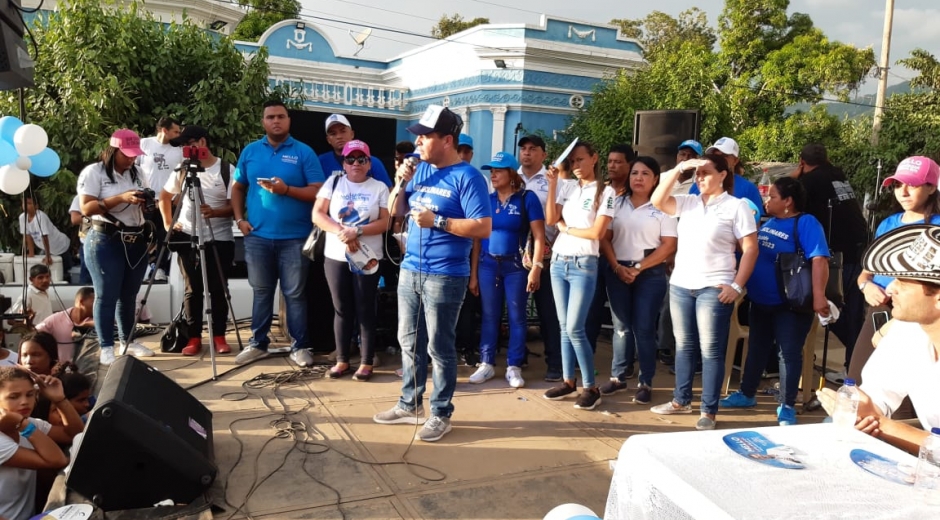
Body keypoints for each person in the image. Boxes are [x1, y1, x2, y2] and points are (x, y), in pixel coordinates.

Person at [373, 105, 491, 442]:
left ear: (447, 140)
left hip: (445, 275)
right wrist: (400, 183)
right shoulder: (420, 171)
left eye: (426, 136)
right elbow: (397, 213)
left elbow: (483, 227)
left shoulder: (468, 177)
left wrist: (439, 222)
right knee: (408, 341)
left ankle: (441, 413)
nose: (419, 142)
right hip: (411, 269)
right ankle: (409, 404)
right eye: (418, 136)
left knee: (440, 346)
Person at [649, 153, 758, 430]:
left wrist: (736, 285)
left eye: (706, 172)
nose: (700, 178)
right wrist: (680, 168)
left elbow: (750, 249)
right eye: (697, 174)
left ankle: (708, 410)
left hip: (714, 286)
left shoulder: (737, 207)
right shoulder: (688, 203)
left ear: (723, 174)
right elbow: (657, 200)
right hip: (682, 284)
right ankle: (681, 400)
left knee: (710, 350)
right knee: (684, 346)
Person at [720, 178, 830, 425]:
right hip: (761, 302)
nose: (767, 201)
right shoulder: (768, 223)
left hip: (790, 306)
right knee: (757, 348)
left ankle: (787, 405)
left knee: (788, 353)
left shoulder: (806, 223)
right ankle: (747, 394)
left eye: (772, 197)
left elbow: (819, 260)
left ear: (788, 201)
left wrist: (819, 296)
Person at [822, 224, 940, 454]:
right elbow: (876, 397)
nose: (891, 287)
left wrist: (881, 425)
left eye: (904, 281)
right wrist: (856, 410)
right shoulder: (909, 331)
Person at [232, 100, 325, 367]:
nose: (276, 121)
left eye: (281, 117)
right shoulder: (250, 151)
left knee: (294, 294)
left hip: (295, 238)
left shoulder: (304, 152)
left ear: (288, 121)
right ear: (263, 122)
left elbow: (317, 191)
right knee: (261, 292)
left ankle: (300, 345)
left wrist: (286, 190)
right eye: (270, 117)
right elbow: (237, 188)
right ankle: (258, 343)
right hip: (258, 237)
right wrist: (240, 220)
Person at [850, 157, 940, 383]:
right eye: (898, 185)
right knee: (857, 375)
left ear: (931, 187)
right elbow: (866, 271)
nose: (904, 192)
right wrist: (865, 286)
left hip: (920, 315)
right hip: (879, 309)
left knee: (910, 386)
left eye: (913, 185)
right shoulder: (888, 224)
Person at [541, 140, 616, 410]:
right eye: (572, 161)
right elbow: (551, 219)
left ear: (594, 158)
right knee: (564, 327)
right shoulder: (568, 186)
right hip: (559, 261)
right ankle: (568, 380)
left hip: (584, 262)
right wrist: (551, 185)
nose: (576, 166)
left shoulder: (606, 191)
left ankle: (590, 386)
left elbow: (597, 233)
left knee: (574, 327)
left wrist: (568, 229)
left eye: (580, 160)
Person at [598, 155, 677, 405]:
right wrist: (616, 266)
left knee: (643, 327)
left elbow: (668, 246)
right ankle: (618, 377)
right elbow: (604, 237)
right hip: (617, 269)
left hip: (650, 274)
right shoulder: (616, 203)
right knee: (621, 326)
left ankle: (646, 381)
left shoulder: (663, 207)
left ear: (655, 180)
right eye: (634, 173)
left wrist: (639, 268)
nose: (638, 178)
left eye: (645, 174)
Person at [313, 140, 390, 381]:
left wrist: (357, 232)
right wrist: (342, 233)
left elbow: (386, 222)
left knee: (365, 308)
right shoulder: (333, 183)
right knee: (341, 308)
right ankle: (342, 360)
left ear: (369, 163)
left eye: (361, 159)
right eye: (350, 159)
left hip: (367, 257)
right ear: (343, 163)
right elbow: (317, 214)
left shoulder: (379, 187)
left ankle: (366, 362)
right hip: (336, 255)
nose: (355, 164)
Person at [467, 152, 545, 388]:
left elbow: (540, 236)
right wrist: (473, 275)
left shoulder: (526, 198)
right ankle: (487, 363)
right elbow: (477, 240)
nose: (493, 174)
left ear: (512, 174)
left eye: (498, 170)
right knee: (489, 315)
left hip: (515, 266)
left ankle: (514, 366)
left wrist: (536, 269)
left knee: (517, 317)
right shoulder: (487, 200)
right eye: (491, 170)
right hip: (488, 264)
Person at [78, 129, 155, 365]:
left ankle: (128, 341)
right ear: (114, 150)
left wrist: (145, 201)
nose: (131, 159)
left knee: (129, 294)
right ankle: (106, 346)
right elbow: (86, 208)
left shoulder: (138, 172)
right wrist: (121, 198)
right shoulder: (95, 172)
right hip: (105, 239)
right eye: (127, 154)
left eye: (134, 155)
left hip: (135, 238)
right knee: (107, 294)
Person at [792, 143, 868, 382]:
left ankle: (861, 361)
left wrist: (795, 177)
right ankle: (854, 368)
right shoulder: (838, 174)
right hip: (859, 251)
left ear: (802, 162)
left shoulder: (810, 181)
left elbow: (787, 202)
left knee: (828, 308)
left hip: (837, 256)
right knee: (853, 314)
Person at [159, 125, 235, 357]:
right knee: (193, 290)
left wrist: (216, 212)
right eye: (182, 145)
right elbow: (164, 197)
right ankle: (193, 338)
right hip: (187, 238)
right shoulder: (182, 169)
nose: (184, 149)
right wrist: (168, 224)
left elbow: (236, 205)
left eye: (187, 143)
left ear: (202, 142)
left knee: (218, 289)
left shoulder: (225, 169)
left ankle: (219, 337)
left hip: (218, 238)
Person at [0, 367, 82, 520]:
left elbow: (74, 434)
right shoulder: (21, 428)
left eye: (30, 394)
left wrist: (59, 400)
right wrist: (22, 425)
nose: (25, 402)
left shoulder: (30, 424)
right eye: (14, 396)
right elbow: (58, 460)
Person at [517, 135, 564, 381]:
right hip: (515, 255)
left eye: (533, 149)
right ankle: (518, 357)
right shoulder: (510, 178)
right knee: (516, 310)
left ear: (543, 155)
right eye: (523, 149)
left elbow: (558, 218)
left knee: (548, 311)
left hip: (547, 254)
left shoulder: (556, 182)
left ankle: (554, 362)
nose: (526, 153)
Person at [137, 117, 182, 282]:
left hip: (167, 201)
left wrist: (178, 197)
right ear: (164, 130)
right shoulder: (144, 144)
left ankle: (160, 268)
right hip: (145, 200)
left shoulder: (178, 151)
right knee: (142, 237)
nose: (179, 134)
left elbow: (183, 176)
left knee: (165, 236)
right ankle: (141, 268)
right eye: (176, 131)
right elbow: (133, 169)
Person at [689, 137, 764, 218]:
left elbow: (755, 222)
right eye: (714, 156)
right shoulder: (698, 186)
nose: (718, 160)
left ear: (735, 161)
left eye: (724, 156)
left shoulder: (748, 189)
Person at [318, 114, 392, 187]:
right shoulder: (320, 161)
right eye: (333, 134)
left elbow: (388, 193)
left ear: (352, 134)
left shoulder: (372, 162)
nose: (339, 136)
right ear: (328, 140)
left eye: (343, 131)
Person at [36, 287, 94, 363]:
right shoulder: (55, 320)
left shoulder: (97, 321)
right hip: (61, 371)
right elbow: (34, 335)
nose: (99, 307)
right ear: (81, 302)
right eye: (94, 302)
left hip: (88, 371)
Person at [18, 194, 72, 272]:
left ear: (36, 206)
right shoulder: (22, 217)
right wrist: (31, 253)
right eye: (24, 203)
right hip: (47, 248)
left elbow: (44, 236)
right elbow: (27, 235)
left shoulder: (40, 217)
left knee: (65, 271)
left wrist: (48, 256)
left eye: (29, 203)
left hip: (61, 246)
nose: (25, 206)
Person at [69, 195, 92, 285]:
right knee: (86, 276)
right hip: (87, 242)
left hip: (111, 241)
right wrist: (95, 217)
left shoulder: (111, 193)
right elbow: (74, 219)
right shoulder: (80, 197)